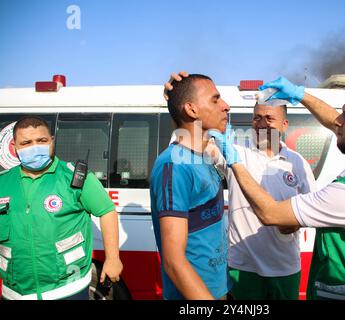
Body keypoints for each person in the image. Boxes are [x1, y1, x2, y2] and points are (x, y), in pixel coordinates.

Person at [209, 77, 345, 300]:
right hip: (245, 264)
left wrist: (235, 163)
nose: (338, 122)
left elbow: (271, 213)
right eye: (341, 113)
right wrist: (300, 94)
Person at [0, 116, 123, 300]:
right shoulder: (3, 182)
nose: (34, 147)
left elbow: (106, 212)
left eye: (41, 140)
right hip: (15, 292)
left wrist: (112, 258)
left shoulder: (75, 177)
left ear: (52, 141)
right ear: (15, 148)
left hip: (68, 289)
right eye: (26, 143)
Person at [150, 73, 231, 300]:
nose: (226, 106)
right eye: (215, 100)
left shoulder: (204, 156)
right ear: (192, 110)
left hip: (219, 288)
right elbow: (173, 262)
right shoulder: (174, 165)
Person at [224, 102, 316, 300]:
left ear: (284, 125)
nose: (262, 124)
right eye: (257, 118)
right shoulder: (235, 153)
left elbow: (311, 208)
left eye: (269, 119)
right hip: (243, 265)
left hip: (285, 266)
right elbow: (198, 146)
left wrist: (295, 223)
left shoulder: (297, 162)